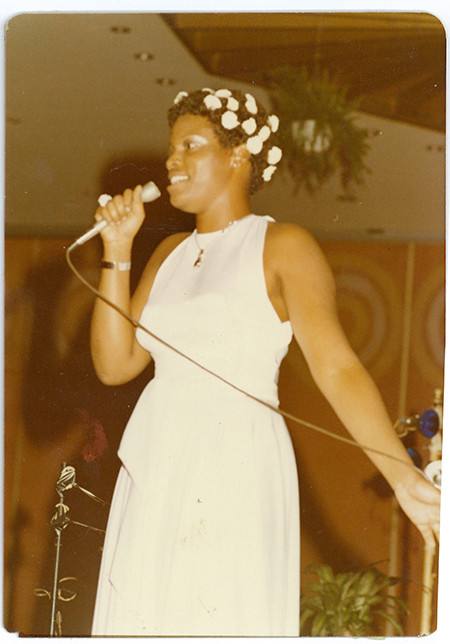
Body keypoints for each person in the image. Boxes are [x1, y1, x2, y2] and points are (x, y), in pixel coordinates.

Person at [90, 88, 440, 636]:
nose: (171, 161)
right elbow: (115, 366)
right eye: (170, 148)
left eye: (191, 145)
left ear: (239, 156)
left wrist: (400, 475)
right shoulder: (166, 255)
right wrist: (117, 248)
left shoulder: (282, 245)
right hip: (160, 455)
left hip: (235, 455)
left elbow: (337, 366)